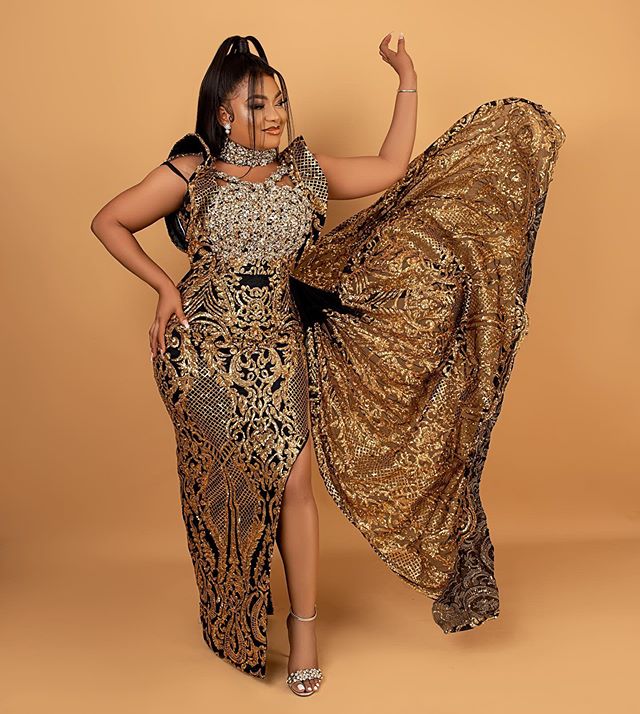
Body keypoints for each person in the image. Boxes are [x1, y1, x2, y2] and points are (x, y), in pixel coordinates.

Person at [90, 33, 565, 697]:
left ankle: (303, 628)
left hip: (279, 345)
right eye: (259, 103)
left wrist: (406, 79)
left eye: (281, 100)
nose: (276, 114)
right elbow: (109, 221)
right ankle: (235, 615)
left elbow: (392, 167)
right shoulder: (191, 169)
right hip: (200, 353)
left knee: (295, 482)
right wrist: (164, 288)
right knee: (232, 487)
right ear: (225, 114)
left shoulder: (304, 171)